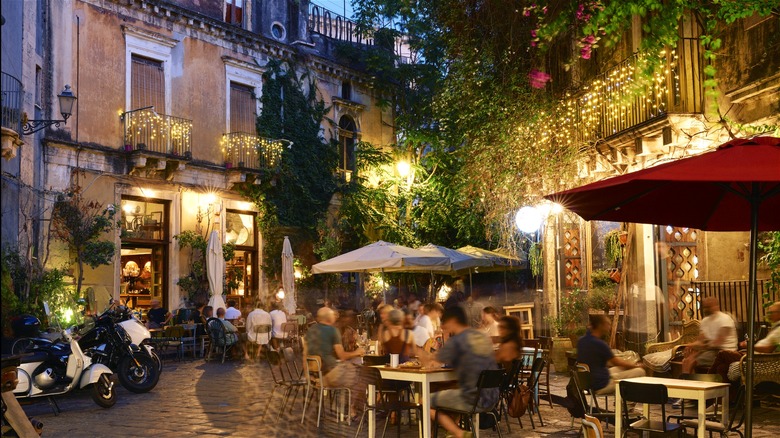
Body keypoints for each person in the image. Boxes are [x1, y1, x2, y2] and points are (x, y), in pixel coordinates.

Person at [426, 306, 499, 438]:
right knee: (450, 392)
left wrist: (415, 350)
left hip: (472, 398)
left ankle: (459, 433)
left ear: (453, 321)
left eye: (444, 322)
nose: (443, 326)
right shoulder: (481, 336)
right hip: (492, 397)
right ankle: (453, 432)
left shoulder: (456, 341)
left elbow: (431, 364)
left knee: (425, 401)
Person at [304, 307, 366, 420]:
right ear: (329, 318)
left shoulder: (311, 330)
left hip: (315, 377)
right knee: (360, 377)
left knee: (351, 373)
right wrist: (356, 352)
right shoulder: (333, 331)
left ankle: (341, 408)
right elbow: (342, 356)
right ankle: (351, 410)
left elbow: (305, 354)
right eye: (333, 315)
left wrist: (308, 374)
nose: (335, 316)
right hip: (330, 375)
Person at [577, 314, 645, 395]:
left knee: (621, 368)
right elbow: (617, 362)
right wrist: (636, 366)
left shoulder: (581, 341)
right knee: (640, 372)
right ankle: (626, 404)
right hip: (600, 384)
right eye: (607, 324)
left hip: (588, 380)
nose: (610, 326)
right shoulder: (600, 344)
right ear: (600, 325)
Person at [682, 296, 738, 373]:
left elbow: (718, 343)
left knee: (693, 360)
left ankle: (688, 379)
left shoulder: (725, 319)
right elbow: (701, 340)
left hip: (724, 352)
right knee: (686, 360)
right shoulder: (705, 321)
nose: (706, 309)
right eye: (705, 307)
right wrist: (690, 345)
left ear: (716, 306)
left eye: (708, 306)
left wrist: (701, 348)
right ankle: (688, 380)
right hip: (710, 350)